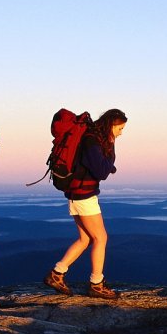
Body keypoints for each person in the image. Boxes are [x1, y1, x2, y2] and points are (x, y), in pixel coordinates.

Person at [44, 109, 127, 299]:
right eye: (120, 128)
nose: (121, 133)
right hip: (84, 195)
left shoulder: (89, 137)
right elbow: (101, 171)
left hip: (75, 193)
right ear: (111, 125)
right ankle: (96, 283)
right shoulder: (93, 140)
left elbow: (97, 167)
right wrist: (112, 153)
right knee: (101, 238)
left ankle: (57, 273)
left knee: (85, 239)